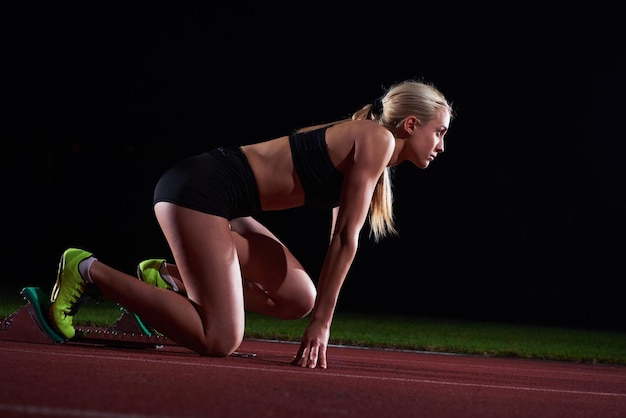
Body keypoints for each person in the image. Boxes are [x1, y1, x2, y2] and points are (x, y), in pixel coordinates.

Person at [49, 79, 453, 369]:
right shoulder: (376, 139)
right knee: (219, 339)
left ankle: (169, 279)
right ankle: (86, 269)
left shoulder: (373, 154)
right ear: (411, 125)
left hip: (227, 207)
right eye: (439, 133)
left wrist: (316, 315)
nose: (441, 146)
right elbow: (346, 240)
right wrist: (322, 326)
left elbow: (338, 238)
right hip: (198, 192)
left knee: (299, 296)